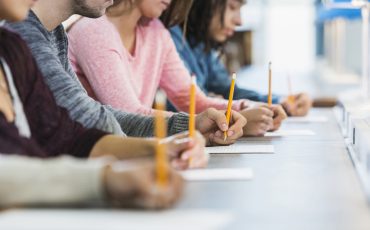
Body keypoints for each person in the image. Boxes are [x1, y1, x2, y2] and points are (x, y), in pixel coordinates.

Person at [0, 0, 183, 209]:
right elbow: (91, 123)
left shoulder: (13, 47)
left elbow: (68, 137)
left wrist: (163, 149)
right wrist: (104, 179)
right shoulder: (25, 34)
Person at [7, 0, 247, 146]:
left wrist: (191, 125)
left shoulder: (53, 33)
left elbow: (98, 116)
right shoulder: (23, 35)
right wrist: (172, 140)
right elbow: (92, 121)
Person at [67, 0, 285, 136]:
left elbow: (191, 99)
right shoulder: (93, 30)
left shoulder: (156, 31)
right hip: (103, 154)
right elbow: (129, 115)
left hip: (138, 151)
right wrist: (227, 122)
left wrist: (248, 108)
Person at [167, 0, 313, 117]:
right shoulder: (169, 37)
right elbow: (184, 105)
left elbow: (230, 91)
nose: (239, 21)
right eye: (232, 7)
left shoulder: (201, 45)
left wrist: (280, 102)